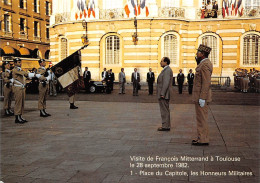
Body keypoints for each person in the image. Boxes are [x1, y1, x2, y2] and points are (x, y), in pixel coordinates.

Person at [192, 44, 213, 146]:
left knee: (202, 119)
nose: (197, 53)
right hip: (199, 96)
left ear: (203, 54)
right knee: (200, 118)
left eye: (198, 52)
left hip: (202, 96)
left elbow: (206, 82)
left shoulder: (205, 65)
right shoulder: (202, 63)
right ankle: (201, 137)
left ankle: (203, 139)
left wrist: (202, 98)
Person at [12, 58, 31, 123]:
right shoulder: (15, 70)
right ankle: (17, 117)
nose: (20, 63)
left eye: (20, 62)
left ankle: (20, 115)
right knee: (18, 102)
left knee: (22, 102)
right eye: (18, 62)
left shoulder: (20, 70)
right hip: (17, 88)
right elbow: (24, 73)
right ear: (14, 63)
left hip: (22, 88)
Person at [157, 57, 173, 131]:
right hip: (164, 93)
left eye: (162, 61)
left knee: (164, 110)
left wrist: (162, 93)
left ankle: (165, 126)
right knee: (164, 110)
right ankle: (166, 125)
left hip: (164, 94)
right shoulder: (166, 70)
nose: (160, 62)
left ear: (166, 62)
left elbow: (166, 83)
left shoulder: (167, 70)